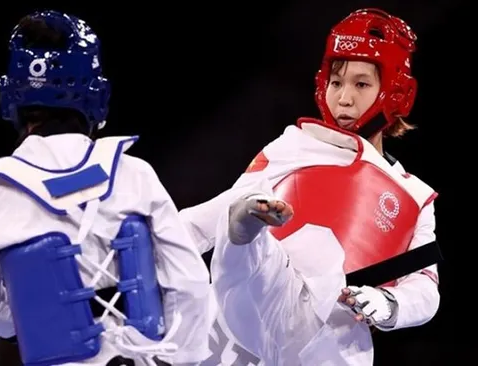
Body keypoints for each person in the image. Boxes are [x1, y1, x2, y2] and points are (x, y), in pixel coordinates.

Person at [0, 10, 211, 366]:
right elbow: (188, 280)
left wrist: (37, 320)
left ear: (13, 99)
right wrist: (183, 358)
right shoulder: (132, 172)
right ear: (96, 94)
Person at [181, 8, 441, 365]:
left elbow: (427, 288)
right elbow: (202, 222)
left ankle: (246, 229)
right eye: (336, 82)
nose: (344, 98)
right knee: (246, 225)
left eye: (361, 84)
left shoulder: (415, 197)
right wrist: (151, 241)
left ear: (395, 91)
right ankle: (247, 229)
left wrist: (389, 304)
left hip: (330, 337)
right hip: (254, 311)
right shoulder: (294, 146)